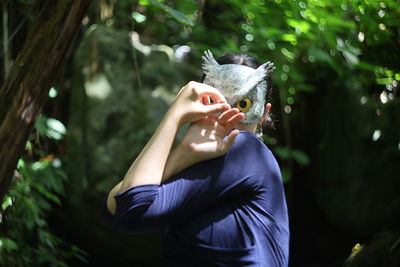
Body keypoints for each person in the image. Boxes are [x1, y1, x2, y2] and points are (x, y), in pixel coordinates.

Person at [103, 51, 290, 266]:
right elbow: (116, 205)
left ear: (265, 112)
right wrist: (184, 152)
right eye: (216, 101)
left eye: (243, 105)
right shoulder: (208, 160)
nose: (227, 115)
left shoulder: (248, 151)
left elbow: (129, 210)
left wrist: (173, 119)